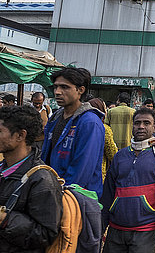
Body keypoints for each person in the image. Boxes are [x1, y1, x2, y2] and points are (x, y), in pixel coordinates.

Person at [101, 107, 155, 252]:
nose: (141, 126)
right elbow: (108, 193)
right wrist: (101, 225)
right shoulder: (120, 156)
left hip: (146, 229)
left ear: (154, 127)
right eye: (137, 123)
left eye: (146, 123)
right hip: (116, 229)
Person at [0, 105, 63, 253]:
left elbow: (45, 235)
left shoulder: (42, 179)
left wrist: (6, 219)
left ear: (20, 136)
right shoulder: (4, 168)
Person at [41, 67, 105, 197]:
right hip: (53, 191)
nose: (58, 92)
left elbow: (82, 167)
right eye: (56, 87)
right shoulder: (55, 118)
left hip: (77, 197)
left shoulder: (89, 122)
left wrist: (64, 193)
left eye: (64, 87)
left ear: (80, 90)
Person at [88, 97, 119, 181]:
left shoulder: (81, 124)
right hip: (97, 174)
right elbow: (112, 154)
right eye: (105, 108)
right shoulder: (103, 128)